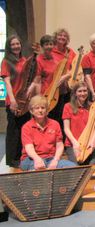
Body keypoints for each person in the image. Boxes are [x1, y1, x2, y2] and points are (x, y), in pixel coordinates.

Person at [20, 95, 76, 171]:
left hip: (51, 158)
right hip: (31, 159)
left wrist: (56, 160)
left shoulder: (55, 124)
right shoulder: (26, 127)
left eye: (43, 108)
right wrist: (37, 159)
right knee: (39, 169)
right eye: (37, 108)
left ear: (47, 110)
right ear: (31, 111)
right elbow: (29, 148)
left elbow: (59, 145)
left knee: (73, 167)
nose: (40, 110)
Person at [1, 35, 31, 167]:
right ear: (9, 46)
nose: (16, 46)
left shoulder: (24, 60)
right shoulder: (6, 61)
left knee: (23, 129)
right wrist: (12, 100)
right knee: (13, 130)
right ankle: (11, 159)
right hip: (13, 100)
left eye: (17, 44)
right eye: (13, 44)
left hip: (24, 102)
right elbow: (6, 81)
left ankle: (20, 157)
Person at [62, 81, 95, 165]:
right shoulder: (68, 106)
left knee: (92, 165)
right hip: (72, 144)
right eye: (80, 91)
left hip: (89, 143)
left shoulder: (92, 106)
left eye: (85, 91)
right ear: (75, 93)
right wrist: (75, 143)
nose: (83, 93)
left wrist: (93, 140)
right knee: (76, 165)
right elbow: (66, 128)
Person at [50, 28, 77, 132]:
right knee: (53, 114)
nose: (62, 37)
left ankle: (63, 140)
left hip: (67, 88)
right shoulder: (51, 51)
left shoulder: (71, 53)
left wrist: (66, 76)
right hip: (53, 88)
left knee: (65, 115)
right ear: (55, 37)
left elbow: (75, 69)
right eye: (60, 35)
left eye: (65, 36)